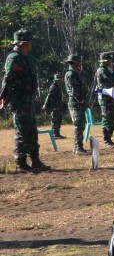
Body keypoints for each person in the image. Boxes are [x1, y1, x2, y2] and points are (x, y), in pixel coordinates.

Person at [0, 29, 51, 172]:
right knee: (22, 131)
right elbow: (9, 78)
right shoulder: (14, 58)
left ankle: (35, 161)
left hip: (26, 100)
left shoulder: (23, 57)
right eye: (29, 42)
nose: (31, 44)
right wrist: (3, 96)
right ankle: (21, 164)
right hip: (19, 101)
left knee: (31, 131)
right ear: (23, 43)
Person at [64, 55, 90, 155]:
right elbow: (74, 92)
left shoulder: (76, 73)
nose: (80, 63)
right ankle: (78, 148)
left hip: (79, 103)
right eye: (79, 61)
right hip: (76, 103)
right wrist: (84, 102)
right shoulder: (71, 74)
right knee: (78, 126)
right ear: (74, 63)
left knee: (81, 125)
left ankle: (78, 147)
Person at [95, 54, 114, 148]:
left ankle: (109, 139)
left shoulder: (106, 70)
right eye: (110, 60)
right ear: (105, 61)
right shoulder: (102, 70)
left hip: (108, 96)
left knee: (112, 118)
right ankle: (106, 141)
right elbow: (111, 81)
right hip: (104, 98)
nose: (111, 62)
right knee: (106, 118)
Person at [43, 73, 66, 139]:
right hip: (54, 107)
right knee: (55, 120)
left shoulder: (57, 86)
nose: (60, 81)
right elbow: (49, 96)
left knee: (59, 119)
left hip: (57, 106)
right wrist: (45, 105)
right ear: (55, 80)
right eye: (59, 80)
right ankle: (54, 134)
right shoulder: (53, 87)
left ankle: (57, 134)